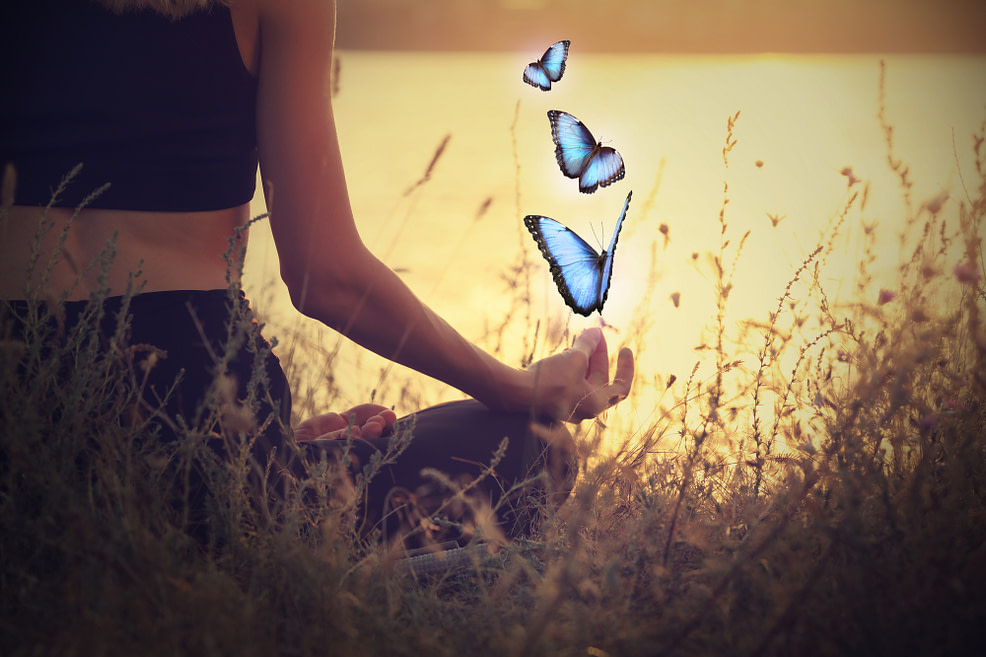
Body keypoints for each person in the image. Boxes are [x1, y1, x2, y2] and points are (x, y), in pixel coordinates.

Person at [0, 0, 634, 545]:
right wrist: (515, 389)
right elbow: (323, 275)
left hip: (22, 414)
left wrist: (282, 439)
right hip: (206, 438)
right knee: (531, 450)